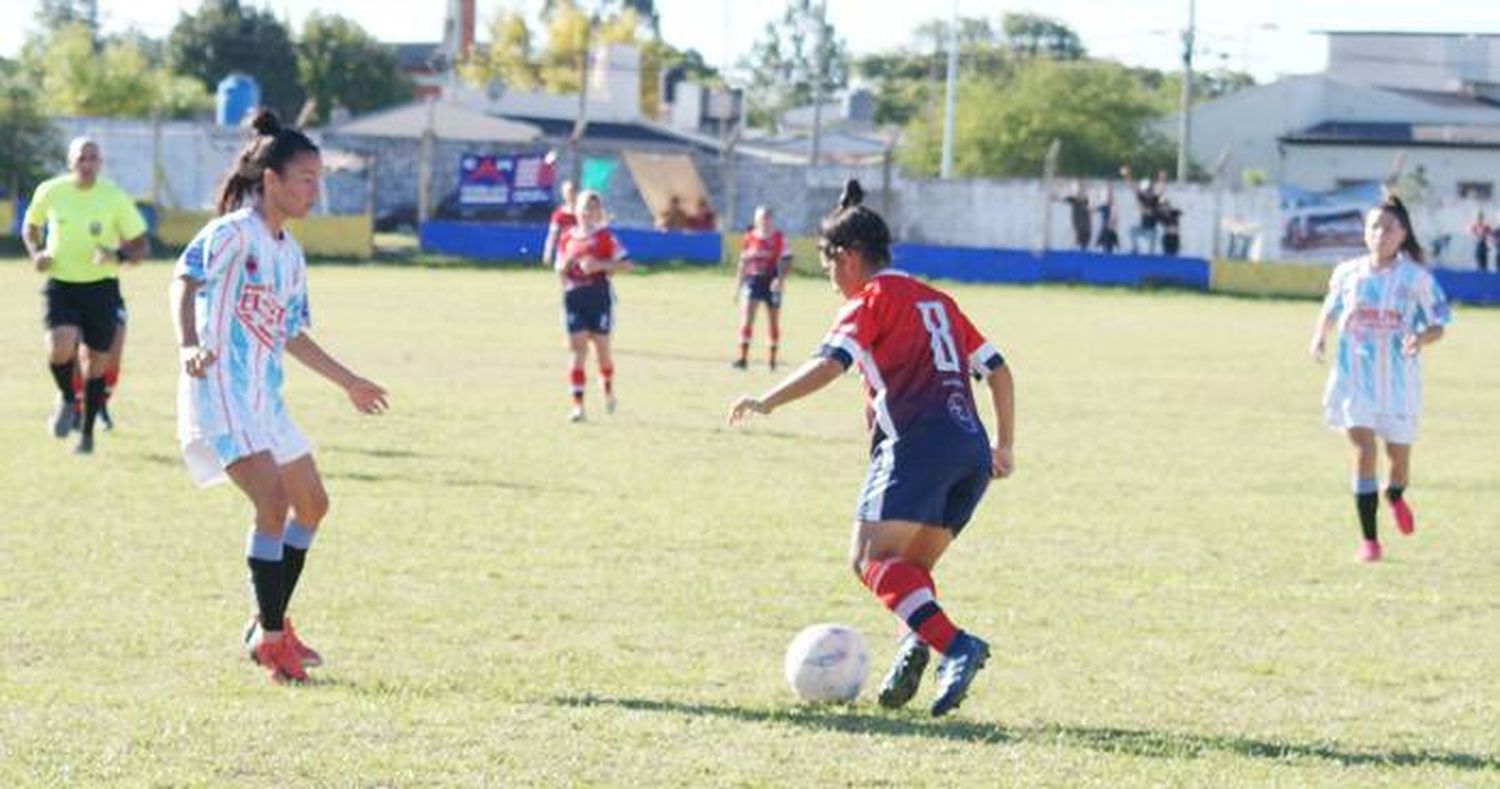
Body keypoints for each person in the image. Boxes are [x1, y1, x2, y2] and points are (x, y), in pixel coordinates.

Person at [728, 179, 1016, 717]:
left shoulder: (872, 300)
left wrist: (767, 400)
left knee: (867, 559)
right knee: (908, 568)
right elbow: (998, 370)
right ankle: (917, 640)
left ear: (851, 255)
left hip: (916, 446)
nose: (828, 275)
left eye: (827, 260)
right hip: (970, 454)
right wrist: (1005, 443)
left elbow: (830, 364)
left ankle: (955, 646)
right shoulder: (939, 301)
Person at [171, 109, 389, 683]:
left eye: (318, 178)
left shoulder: (289, 253)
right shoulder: (230, 233)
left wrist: (349, 382)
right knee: (272, 504)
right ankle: (271, 641)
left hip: (265, 399)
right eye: (306, 178)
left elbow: (291, 331)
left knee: (312, 504)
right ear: (272, 179)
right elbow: (184, 280)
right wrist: (189, 345)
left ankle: (267, 621)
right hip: (220, 390)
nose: (315, 189)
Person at [1309, 194, 1450, 563]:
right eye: (1374, 226)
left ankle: (1395, 496)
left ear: (1403, 234)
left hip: (1399, 386)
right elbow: (1331, 307)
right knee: (1364, 451)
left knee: (1397, 460)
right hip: (1354, 380)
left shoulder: (1416, 279)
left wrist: (1419, 338)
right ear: (1365, 232)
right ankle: (1369, 542)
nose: (1380, 233)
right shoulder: (1347, 273)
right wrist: (1319, 336)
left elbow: (1440, 323)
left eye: (1389, 228)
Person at [23, 137, 150, 454]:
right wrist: (36, 252)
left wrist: (117, 257)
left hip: (101, 288)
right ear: (70, 162)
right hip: (61, 284)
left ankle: (87, 435)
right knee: (59, 348)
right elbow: (30, 226)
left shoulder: (114, 197)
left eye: (93, 158)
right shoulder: (50, 191)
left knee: (97, 363)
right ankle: (67, 396)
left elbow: (140, 246)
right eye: (82, 158)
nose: (88, 163)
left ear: (100, 163)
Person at [557, 189, 632, 422]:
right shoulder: (567, 237)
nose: (587, 212)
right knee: (577, 351)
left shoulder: (605, 237)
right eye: (584, 208)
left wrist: (599, 265)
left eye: (592, 208)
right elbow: (559, 267)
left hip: (598, 299)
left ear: (600, 212)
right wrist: (565, 269)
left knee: (602, 354)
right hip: (574, 299)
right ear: (576, 210)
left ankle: (608, 391)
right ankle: (578, 407)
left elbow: (627, 264)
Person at [732, 206, 792, 370]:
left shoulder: (779, 238)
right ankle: (742, 359)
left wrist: (780, 280)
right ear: (756, 219)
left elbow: (787, 260)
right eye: (760, 218)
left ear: (771, 219)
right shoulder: (750, 237)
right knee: (747, 318)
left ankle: (772, 361)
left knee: (773, 322)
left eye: (766, 218)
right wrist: (737, 287)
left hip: (772, 283)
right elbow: (743, 263)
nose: (763, 221)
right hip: (753, 281)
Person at [540, 180, 579, 267]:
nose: (570, 195)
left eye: (572, 191)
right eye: (567, 192)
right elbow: (552, 235)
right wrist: (548, 252)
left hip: (580, 250)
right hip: (564, 251)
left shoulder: (583, 213)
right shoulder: (559, 214)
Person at [1060, 180, 1092, 251]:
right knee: (1079, 238)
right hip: (1078, 224)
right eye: (1079, 191)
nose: (1081, 193)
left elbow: (1090, 209)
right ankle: (1075, 248)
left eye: (1082, 191)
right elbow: (1060, 198)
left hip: (1085, 225)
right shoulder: (1073, 199)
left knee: (1084, 240)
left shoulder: (1086, 200)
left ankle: (1081, 249)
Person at [1095, 184, 1119, 254]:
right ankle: (1104, 249)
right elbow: (1092, 210)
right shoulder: (1104, 206)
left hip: (1110, 229)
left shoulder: (1113, 206)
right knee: (1104, 245)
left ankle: (1108, 250)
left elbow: (1115, 218)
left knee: (1110, 245)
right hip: (1105, 229)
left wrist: (1113, 223)